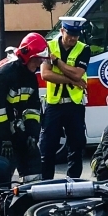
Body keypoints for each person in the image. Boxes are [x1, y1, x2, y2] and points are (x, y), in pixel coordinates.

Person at [0, 33, 47, 179]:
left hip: (7, 119)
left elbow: (32, 108)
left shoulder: (29, 76)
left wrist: (32, 133)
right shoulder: (5, 74)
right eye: (37, 59)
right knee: (4, 161)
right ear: (27, 55)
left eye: (41, 60)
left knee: (30, 153)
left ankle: (31, 193)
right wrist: (5, 138)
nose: (39, 63)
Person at [39, 16, 92, 180]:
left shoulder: (84, 49)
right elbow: (45, 74)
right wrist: (71, 80)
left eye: (76, 35)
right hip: (54, 104)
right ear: (62, 31)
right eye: (70, 34)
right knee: (47, 147)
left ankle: (73, 183)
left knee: (76, 147)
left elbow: (78, 73)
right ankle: (46, 183)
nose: (73, 39)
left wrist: (57, 61)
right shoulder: (49, 46)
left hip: (74, 105)